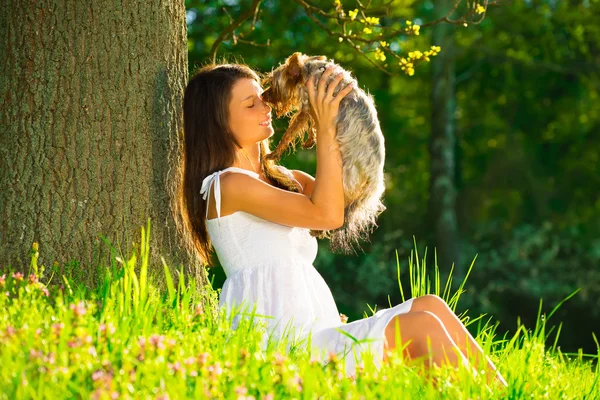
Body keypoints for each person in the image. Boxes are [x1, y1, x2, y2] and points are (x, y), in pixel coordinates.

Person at [178, 61, 507, 387]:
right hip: (284, 349)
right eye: (250, 104)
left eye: (261, 97)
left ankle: (507, 394)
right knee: (420, 328)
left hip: (316, 331)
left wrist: (339, 107)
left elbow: (346, 200)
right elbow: (326, 214)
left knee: (430, 305)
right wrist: (324, 128)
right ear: (218, 122)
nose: (265, 106)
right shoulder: (227, 186)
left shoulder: (285, 179)